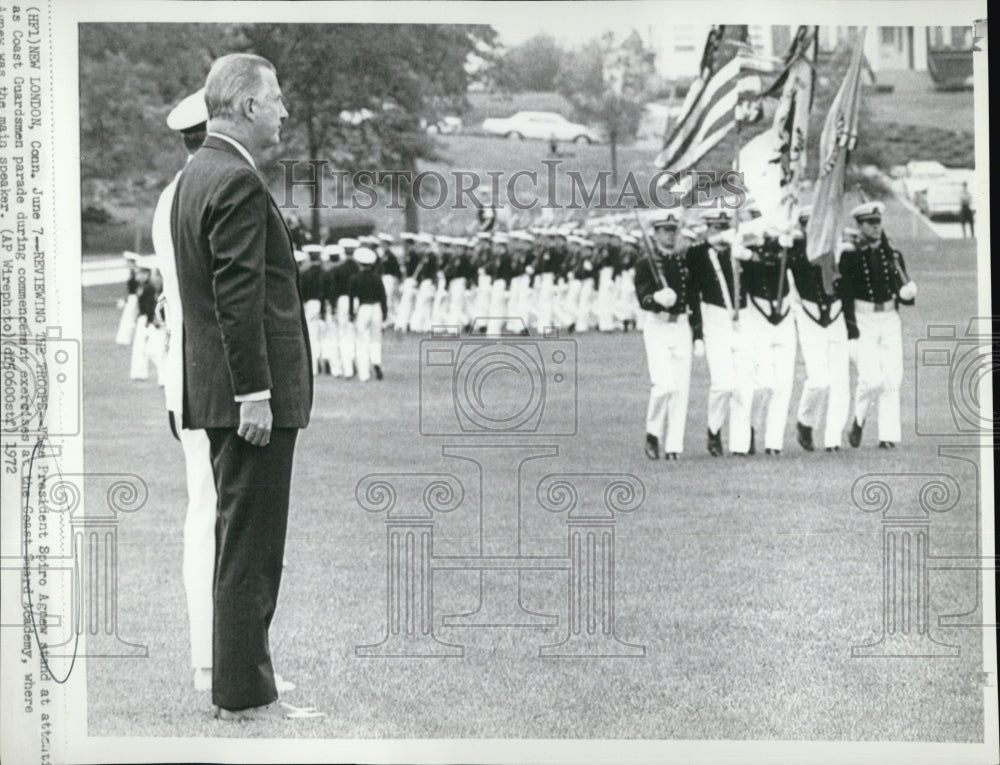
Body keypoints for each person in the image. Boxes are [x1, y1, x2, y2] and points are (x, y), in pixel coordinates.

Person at [170, 54, 318, 721]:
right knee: (252, 548)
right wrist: (254, 392)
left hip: (218, 389)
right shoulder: (235, 181)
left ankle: (242, 683)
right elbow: (236, 296)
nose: (285, 111)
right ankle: (243, 693)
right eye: (278, 99)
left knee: (241, 541)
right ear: (248, 107)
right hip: (247, 396)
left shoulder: (196, 175)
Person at [839, 201, 917, 449]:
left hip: (889, 317)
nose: (875, 227)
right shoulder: (851, 254)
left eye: (877, 222)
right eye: (869, 223)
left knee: (893, 378)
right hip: (864, 318)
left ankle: (888, 436)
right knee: (871, 378)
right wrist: (851, 329)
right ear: (859, 226)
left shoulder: (891, 254)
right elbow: (846, 295)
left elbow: (902, 288)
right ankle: (858, 419)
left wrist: (908, 294)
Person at [634, 214, 703, 461]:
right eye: (665, 231)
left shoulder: (684, 262)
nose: (670, 235)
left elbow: (693, 299)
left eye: (673, 230)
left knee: (681, 389)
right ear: (655, 233)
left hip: (681, 326)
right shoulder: (647, 262)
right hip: (658, 327)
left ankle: (674, 445)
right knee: (664, 386)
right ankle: (653, 433)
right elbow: (642, 296)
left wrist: (698, 335)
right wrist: (655, 300)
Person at [687, 210, 754, 456]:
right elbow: (692, 293)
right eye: (716, 228)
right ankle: (714, 430)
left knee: (744, 385)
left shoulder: (736, 251)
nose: (721, 232)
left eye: (724, 226)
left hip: (742, 319)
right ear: (708, 228)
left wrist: (745, 254)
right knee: (723, 384)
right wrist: (697, 333)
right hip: (715, 320)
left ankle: (741, 442)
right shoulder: (698, 254)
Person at [789, 206, 850, 452]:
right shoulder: (794, 251)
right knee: (819, 381)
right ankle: (805, 421)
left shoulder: (836, 249)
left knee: (841, 382)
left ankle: (833, 440)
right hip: (810, 316)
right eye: (807, 225)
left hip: (835, 314)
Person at [349, 247, 388, 381]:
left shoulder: (355, 278)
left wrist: (351, 313)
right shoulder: (377, 278)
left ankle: (364, 373)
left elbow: (352, 298)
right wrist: (385, 313)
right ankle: (376, 361)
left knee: (362, 340)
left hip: (363, 307)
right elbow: (383, 297)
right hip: (376, 308)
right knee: (376, 338)